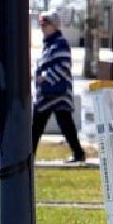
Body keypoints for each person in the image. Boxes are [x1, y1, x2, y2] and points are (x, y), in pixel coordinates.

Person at [33, 11, 85, 164]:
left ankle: (78, 154)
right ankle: (30, 155)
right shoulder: (49, 44)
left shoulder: (60, 43)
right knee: (38, 125)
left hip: (59, 93)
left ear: (55, 25)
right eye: (41, 24)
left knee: (63, 125)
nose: (43, 27)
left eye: (46, 24)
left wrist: (45, 76)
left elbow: (63, 66)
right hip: (48, 93)